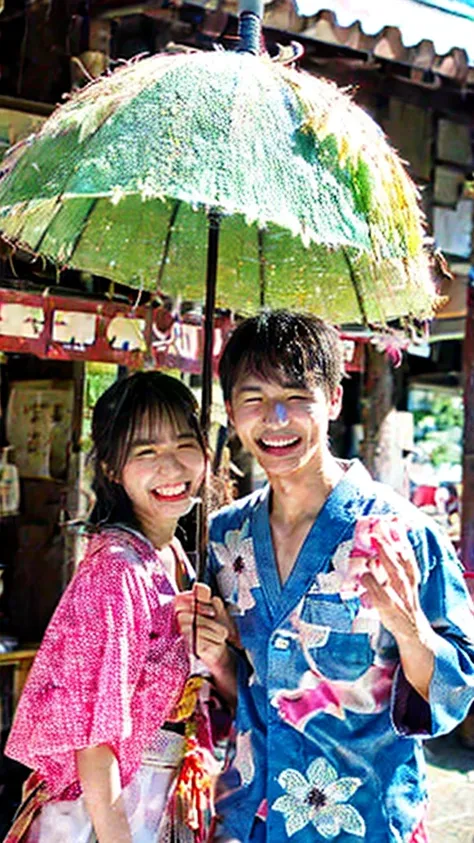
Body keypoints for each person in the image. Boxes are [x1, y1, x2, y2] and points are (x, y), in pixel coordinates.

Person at [176, 311, 474, 843]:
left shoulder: (403, 535)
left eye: (297, 394)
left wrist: (410, 629)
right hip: (248, 821)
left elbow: (457, 696)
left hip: (364, 824)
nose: (276, 417)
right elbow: (235, 696)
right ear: (230, 411)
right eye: (254, 398)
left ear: (334, 399)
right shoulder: (223, 539)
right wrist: (219, 656)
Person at [4, 371, 230, 843]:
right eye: (145, 452)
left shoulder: (175, 556)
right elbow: (94, 735)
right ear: (111, 467)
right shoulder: (117, 572)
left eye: (184, 443)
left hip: (162, 791)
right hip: (108, 809)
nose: (171, 467)